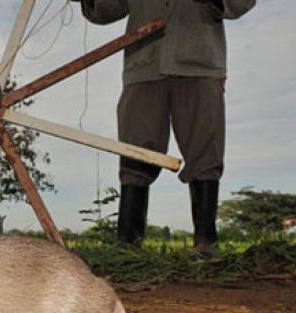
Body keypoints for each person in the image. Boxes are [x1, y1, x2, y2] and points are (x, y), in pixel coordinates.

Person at [74, 0, 255, 256]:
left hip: (199, 64)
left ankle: (206, 245)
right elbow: (108, 9)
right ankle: (128, 247)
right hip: (143, 65)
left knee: (205, 149)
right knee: (135, 151)